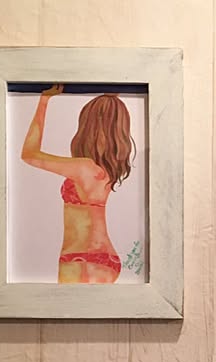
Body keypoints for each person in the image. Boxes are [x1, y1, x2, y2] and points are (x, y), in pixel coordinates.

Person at [21, 84, 133, 283]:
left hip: (80, 257)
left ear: (88, 126)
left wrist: (44, 100)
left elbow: (29, 154)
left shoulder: (85, 168)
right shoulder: (104, 171)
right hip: (102, 258)